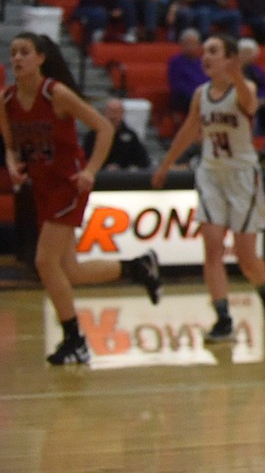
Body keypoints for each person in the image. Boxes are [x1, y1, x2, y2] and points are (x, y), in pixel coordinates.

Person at [1, 33, 161, 364]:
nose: (17, 58)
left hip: (68, 185)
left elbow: (104, 127)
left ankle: (75, 339)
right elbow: (10, 142)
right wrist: (13, 162)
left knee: (45, 262)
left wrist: (90, 170)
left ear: (40, 58)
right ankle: (138, 266)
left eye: (24, 52)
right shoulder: (7, 100)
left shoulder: (55, 93)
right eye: (13, 52)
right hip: (42, 186)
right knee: (69, 270)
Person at [151, 34, 265, 342]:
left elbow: (250, 106)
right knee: (211, 247)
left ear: (229, 59)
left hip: (242, 176)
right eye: (204, 52)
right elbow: (188, 131)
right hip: (210, 174)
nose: (204, 57)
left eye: (213, 51)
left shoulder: (244, 89)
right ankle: (223, 318)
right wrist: (166, 164)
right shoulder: (201, 94)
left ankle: (264, 289)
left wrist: (237, 73)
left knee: (246, 258)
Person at [83, 98, 150, 170]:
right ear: (105, 112)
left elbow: (143, 161)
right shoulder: (93, 135)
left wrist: (128, 169)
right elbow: (85, 159)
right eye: (110, 111)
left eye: (116, 112)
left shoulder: (131, 136)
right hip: (99, 176)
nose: (113, 116)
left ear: (122, 114)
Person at [239, 38, 265, 135]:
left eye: (249, 53)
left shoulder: (259, 71)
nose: (246, 56)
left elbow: (264, 88)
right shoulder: (234, 70)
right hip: (239, 99)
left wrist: (262, 98)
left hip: (257, 100)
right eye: (244, 52)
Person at [167, 28, 210, 114]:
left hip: (204, 95)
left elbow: (209, 81)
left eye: (194, 44)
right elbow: (176, 85)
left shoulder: (203, 62)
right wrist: (198, 93)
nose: (191, 47)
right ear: (182, 45)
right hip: (184, 97)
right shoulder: (175, 62)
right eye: (188, 44)